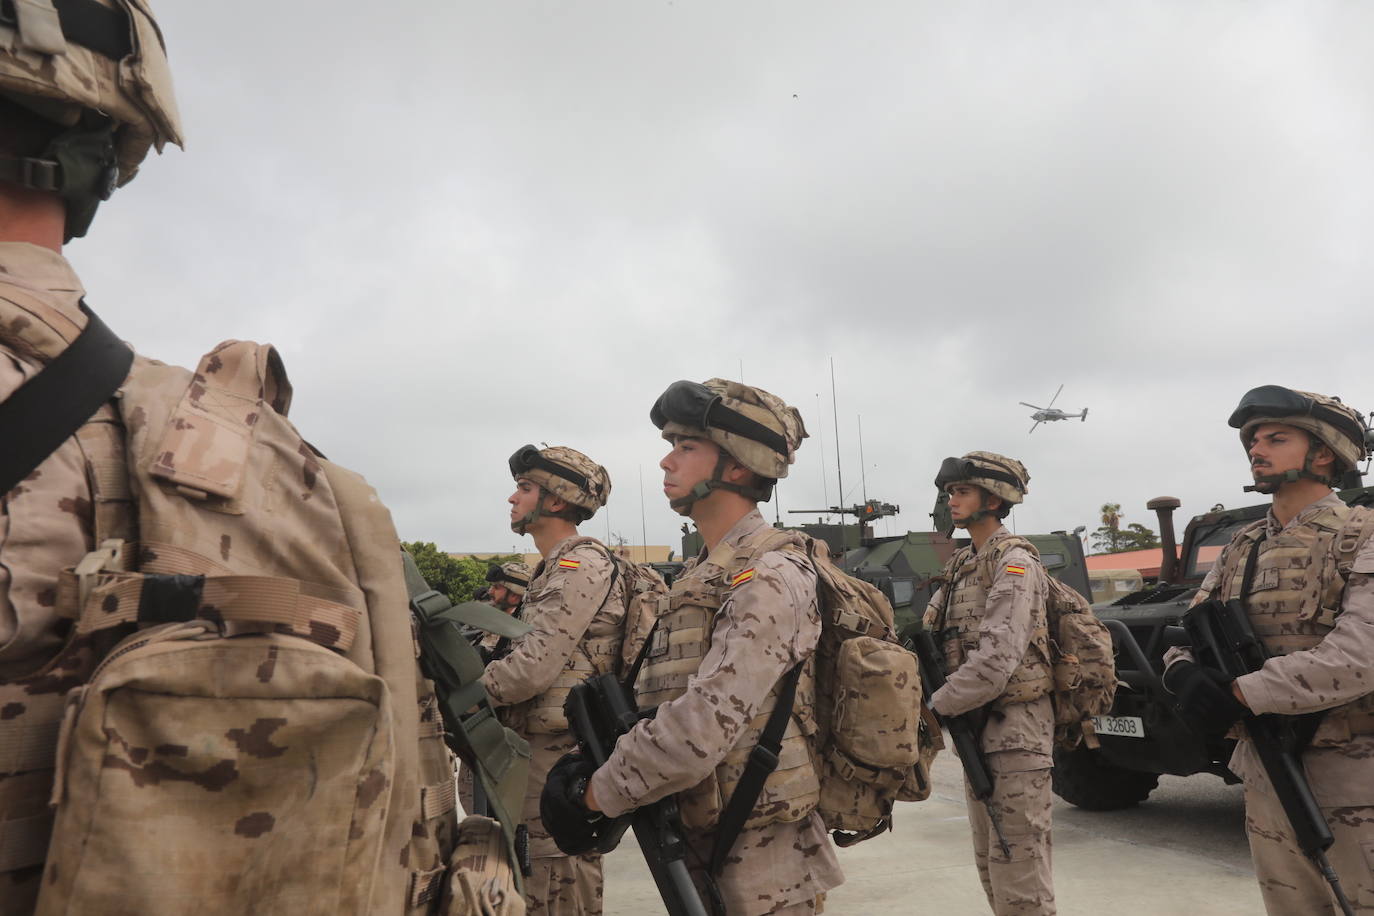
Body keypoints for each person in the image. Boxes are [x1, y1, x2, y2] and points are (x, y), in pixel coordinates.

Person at [547, 378, 844, 915]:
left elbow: (699, 729)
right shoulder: (703, 575)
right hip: (708, 842)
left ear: (736, 466)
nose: (666, 462)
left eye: (685, 448)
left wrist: (594, 794)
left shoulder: (770, 575)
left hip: (763, 866)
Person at [1163, 386, 1374, 913]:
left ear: (1324, 452)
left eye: (1276, 438)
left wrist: (1240, 692)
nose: (1257, 449)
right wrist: (1182, 674)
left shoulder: (1361, 533)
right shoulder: (1242, 546)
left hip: (1354, 781)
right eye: (1252, 440)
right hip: (1264, 777)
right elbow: (1192, 630)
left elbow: (1359, 656)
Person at [481, 446, 622, 915]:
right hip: (540, 754)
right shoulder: (551, 569)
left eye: (524, 488)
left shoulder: (578, 566)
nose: (512, 499)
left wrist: (468, 693)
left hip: (556, 756)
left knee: (554, 881)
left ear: (557, 501)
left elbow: (532, 668)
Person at [923, 452, 1055, 915]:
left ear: (995, 499)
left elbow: (997, 659)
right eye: (950, 492)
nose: (951, 500)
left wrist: (932, 708)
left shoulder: (1014, 562)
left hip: (1015, 734)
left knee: (1019, 875)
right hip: (977, 729)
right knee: (991, 869)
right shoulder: (963, 564)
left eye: (961, 491)